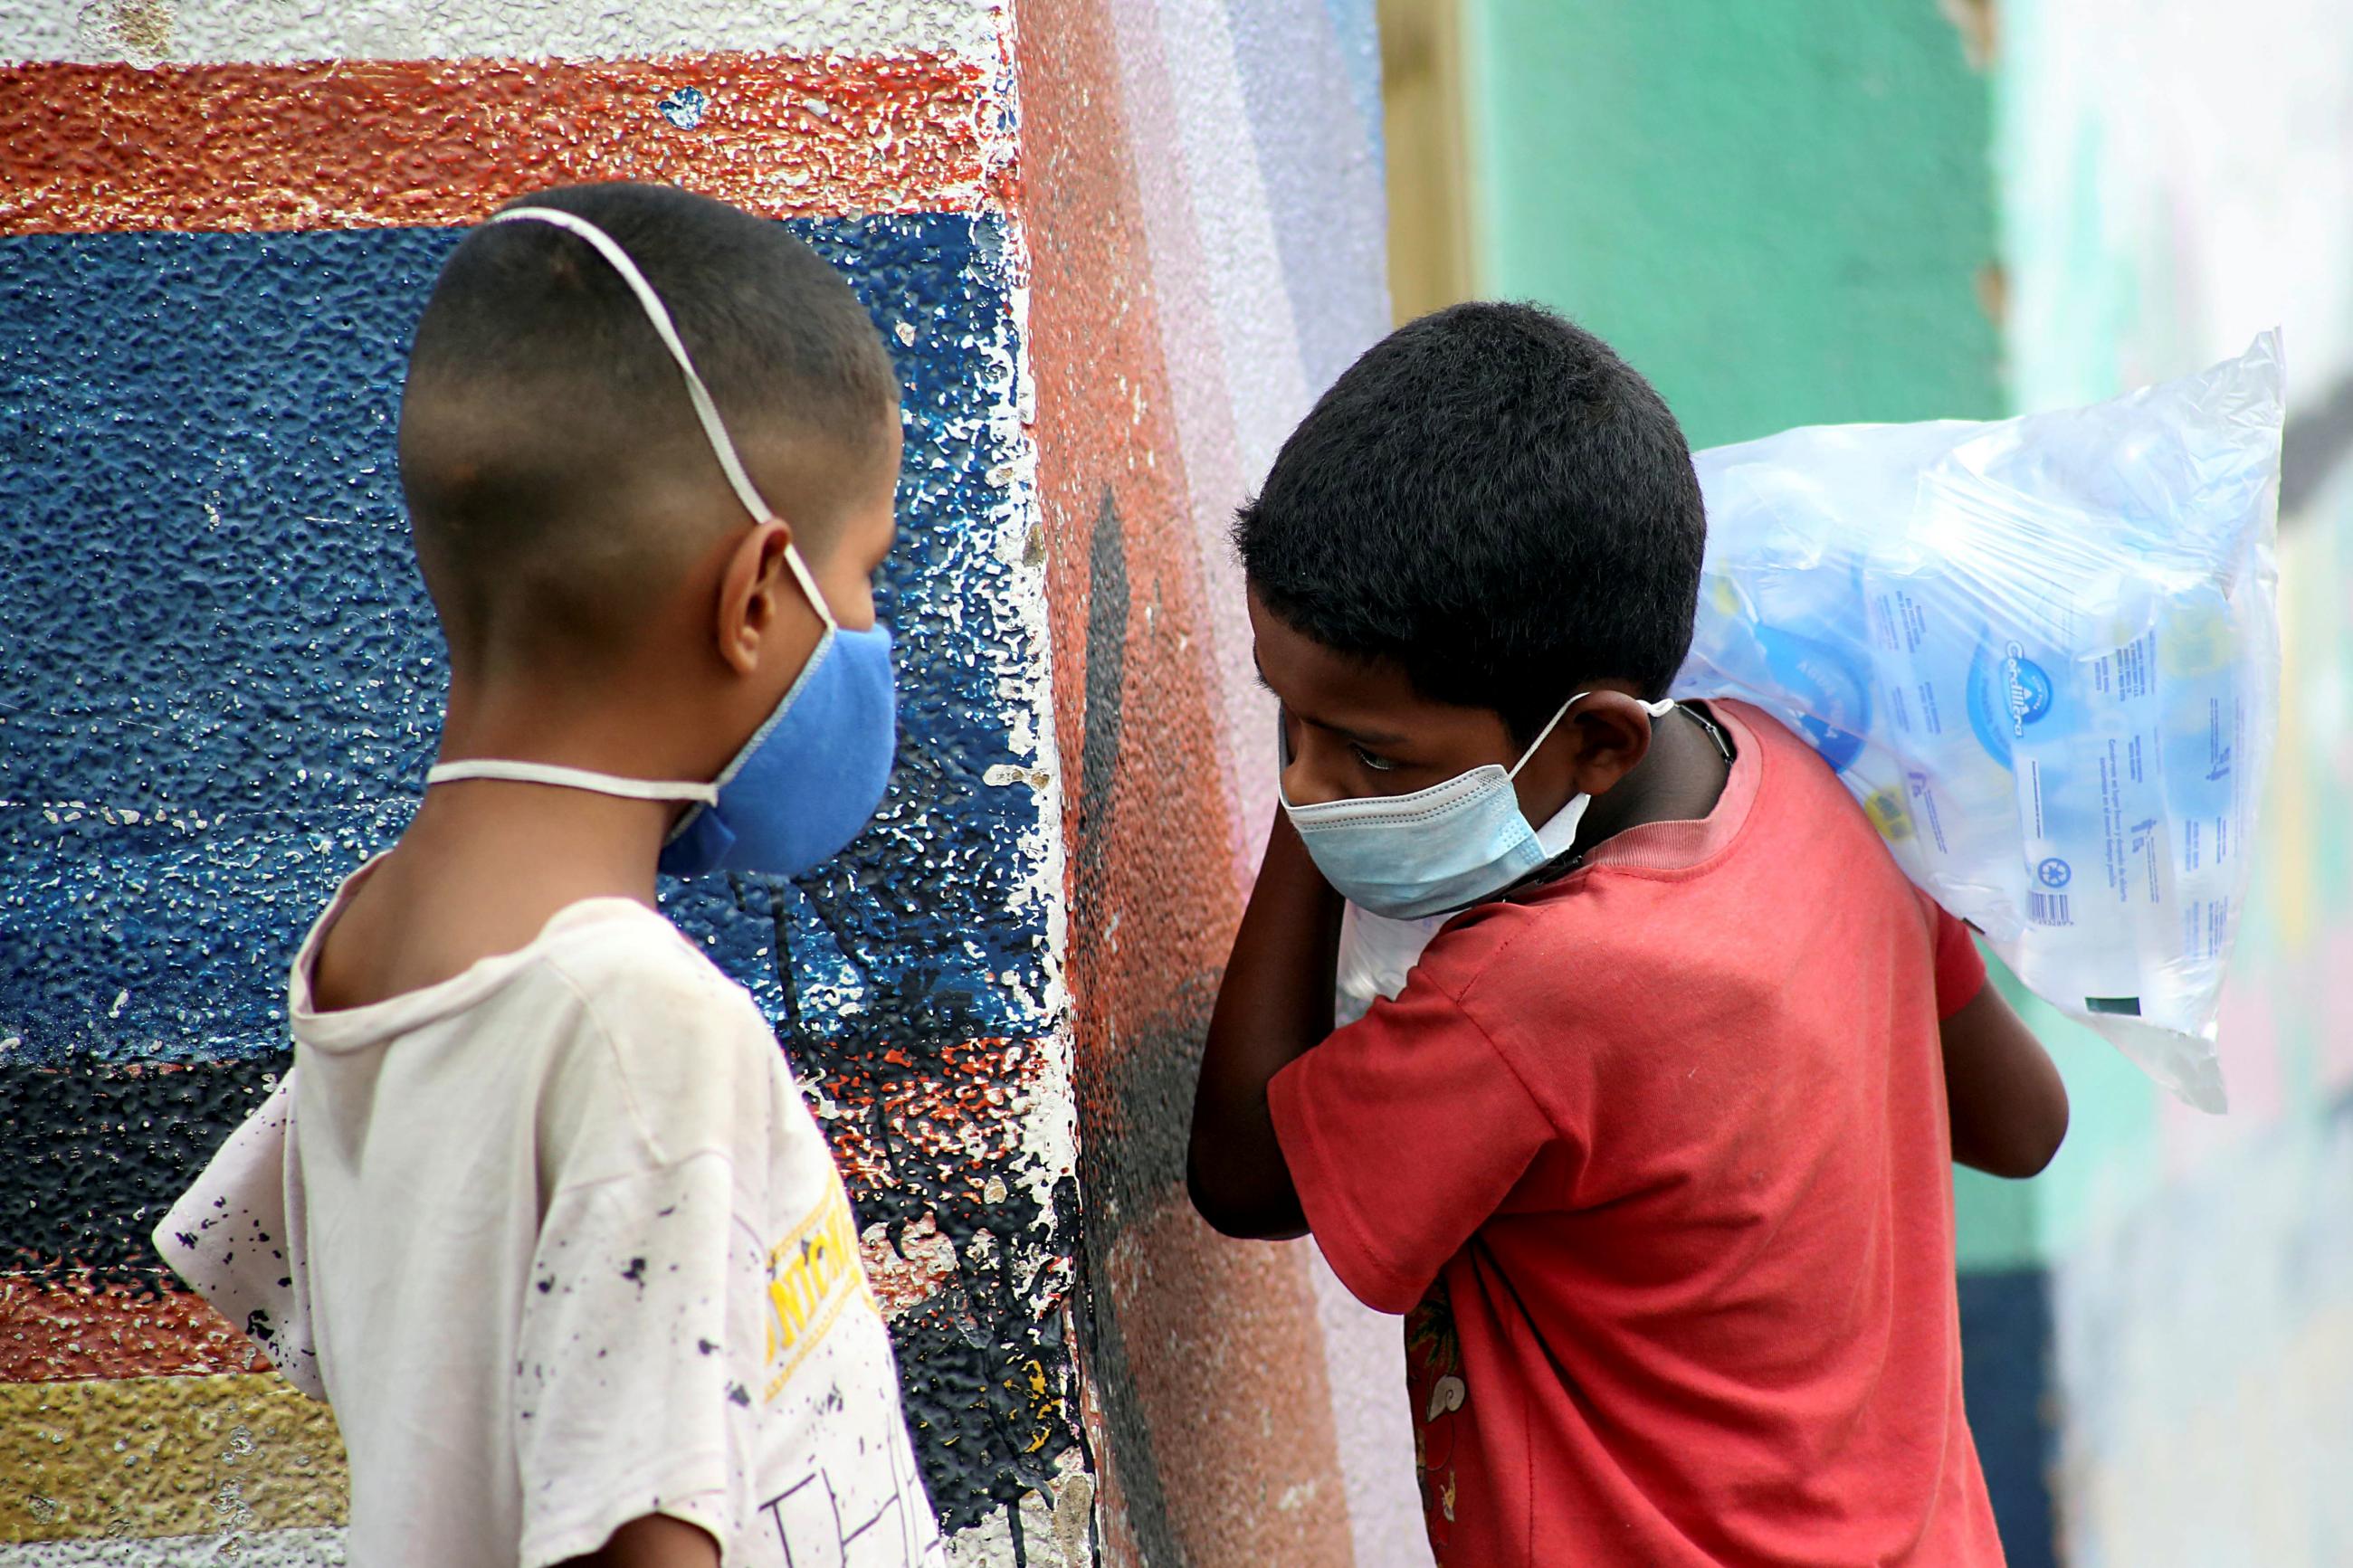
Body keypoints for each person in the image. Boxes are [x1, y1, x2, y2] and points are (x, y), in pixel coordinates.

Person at [1188, 301, 2070, 1566]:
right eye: (1291, 720)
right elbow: (2022, 1121)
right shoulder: (1808, 781)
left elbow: (1243, 1170)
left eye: (1370, 752)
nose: (1317, 778)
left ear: (1599, 740)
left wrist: (1311, 831)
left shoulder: (1537, 987)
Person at [156, 183, 943, 1567]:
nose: (871, 630)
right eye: (863, 573)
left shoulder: (369, 953)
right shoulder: (641, 1027)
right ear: (757, 596)